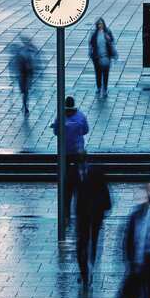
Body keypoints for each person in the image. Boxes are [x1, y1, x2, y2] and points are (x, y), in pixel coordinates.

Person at [52, 96, 90, 225]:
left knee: (66, 189)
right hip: (78, 153)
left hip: (65, 154)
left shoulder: (60, 117)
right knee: (80, 187)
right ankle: (80, 214)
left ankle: (66, 215)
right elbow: (86, 130)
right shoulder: (81, 116)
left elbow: (56, 131)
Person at [76, 158, 111, 286]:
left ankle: (90, 267)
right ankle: (84, 272)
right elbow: (71, 193)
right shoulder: (75, 173)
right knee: (81, 244)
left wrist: (106, 205)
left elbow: (104, 189)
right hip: (82, 215)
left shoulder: (96, 171)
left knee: (93, 241)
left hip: (96, 213)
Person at [87, 18, 117, 98]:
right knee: (98, 72)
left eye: (101, 24)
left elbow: (112, 42)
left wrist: (109, 41)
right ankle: (99, 87)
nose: (100, 25)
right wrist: (90, 52)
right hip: (97, 57)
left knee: (106, 73)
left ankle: (105, 88)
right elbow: (91, 43)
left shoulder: (107, 32)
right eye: (99, 24)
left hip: (106, 56)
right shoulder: (94, 33)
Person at [11, 36, 39, 113]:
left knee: (25, 92)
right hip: (24, 74)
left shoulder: (24, 51)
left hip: (26, 74)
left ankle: (25, 105)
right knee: (25, 92)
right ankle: (25, 105)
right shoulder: (23, 52)